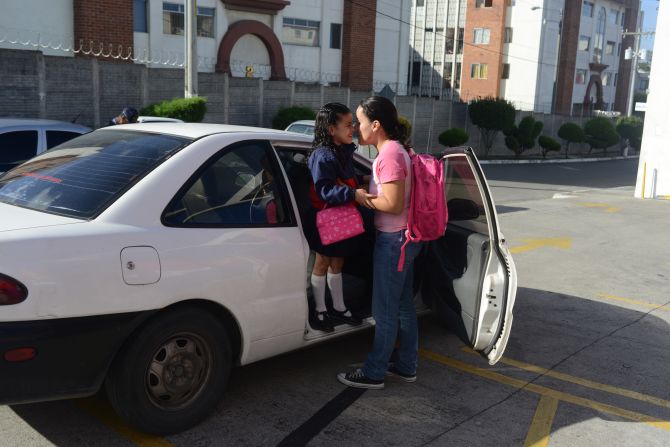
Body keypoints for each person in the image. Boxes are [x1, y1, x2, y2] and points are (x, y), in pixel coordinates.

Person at [337, 96, 422, 389]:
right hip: (403, 238)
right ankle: (406, 365)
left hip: (394, 240)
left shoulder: (390, 154)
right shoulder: (394, 152)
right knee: (401, 306)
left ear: (376, 124)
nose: (358, 129)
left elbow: (394, 204)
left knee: (385, 310)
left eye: (360, 122)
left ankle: (374, 372)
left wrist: (361, 197)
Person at [306, 102, 370, 332]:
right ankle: (321, 310)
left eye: (353, 123)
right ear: (331, 129)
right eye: (348, 124)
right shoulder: (323, 156)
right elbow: (324, 191)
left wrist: (366, 180)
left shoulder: (342, 151)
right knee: (322, 263)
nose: (352, 128)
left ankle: (339, 308)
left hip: (341, 217)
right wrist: (354, 193)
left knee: (337, 262)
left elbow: (349, 179)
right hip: (326, 217)